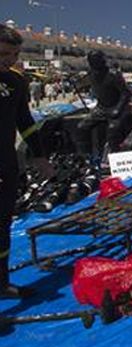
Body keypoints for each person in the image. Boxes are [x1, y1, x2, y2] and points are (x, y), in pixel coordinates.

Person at [0, 24, 50, 299]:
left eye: (15, 54)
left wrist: (40, 155)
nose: (10, 60)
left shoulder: (16, 82)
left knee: (3, 224)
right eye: (5, 53)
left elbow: (25, 123)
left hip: (6, 165)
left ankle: (1, 282)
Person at [76, 50, 131, 159]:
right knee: (81, 127)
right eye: (91, 61)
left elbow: (126, 94)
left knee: (112, 130)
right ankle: (86, 156)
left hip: (117, 107)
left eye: (96, 60)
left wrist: (118, 109)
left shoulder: (113, 74)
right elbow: (81, 84)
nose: (93, 63)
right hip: (101, 108)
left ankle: (116, 158)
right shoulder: (91, 74)